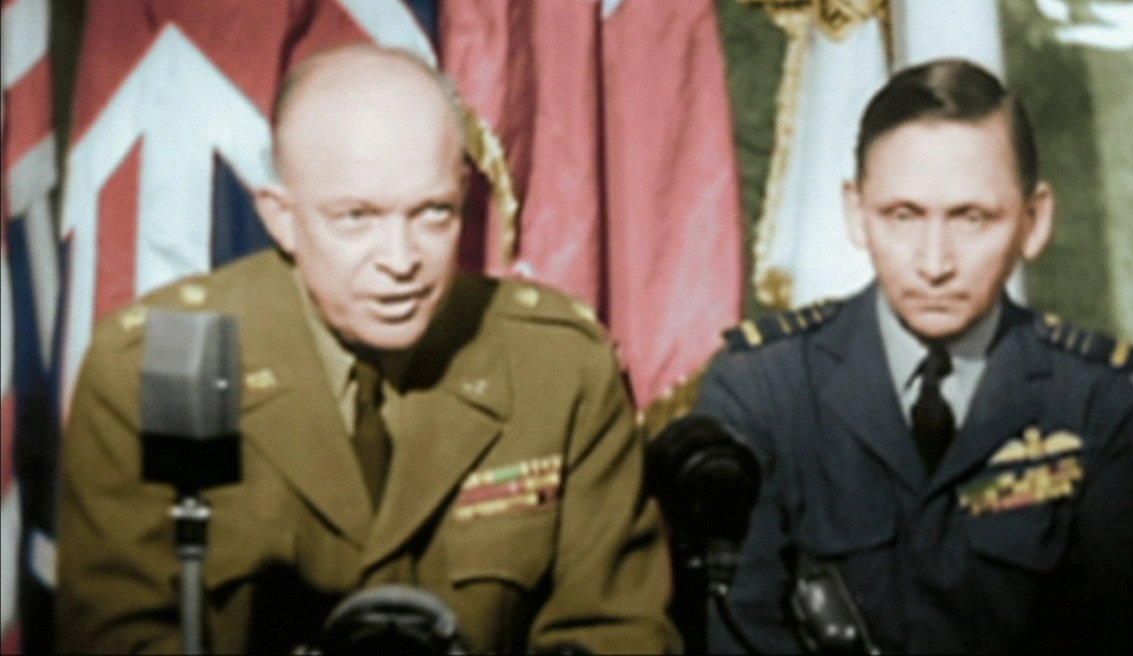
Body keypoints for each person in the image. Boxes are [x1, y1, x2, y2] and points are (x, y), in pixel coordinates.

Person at [56, 44, 678, 654]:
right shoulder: (153, 369)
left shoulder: (559, 366)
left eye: (434, 213)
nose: (401, 260)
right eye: (356, 217)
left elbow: (618, 633)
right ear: (281, 217)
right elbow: (118, 639)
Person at [696, 59, 1133, 653]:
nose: (934, 263)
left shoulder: (1097, 399)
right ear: (856, 213)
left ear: (1034, 220)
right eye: (903, 216)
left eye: (971, 218)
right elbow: (738, 634)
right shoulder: (763, 389)